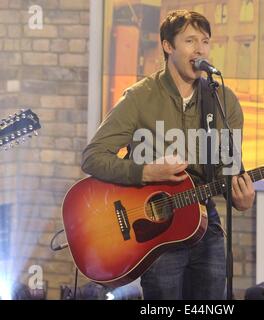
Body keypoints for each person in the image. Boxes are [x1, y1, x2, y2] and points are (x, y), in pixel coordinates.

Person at [81, 10, 255, 300]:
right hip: (156, 230)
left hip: (203, 220)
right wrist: (146, 172)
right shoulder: (139, 97)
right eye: (190, 40)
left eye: (205, 41)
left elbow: (230, 167)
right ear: (168, 46)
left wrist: (242, 198)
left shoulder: (223, 100)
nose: (200, 49)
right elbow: (93, 157)